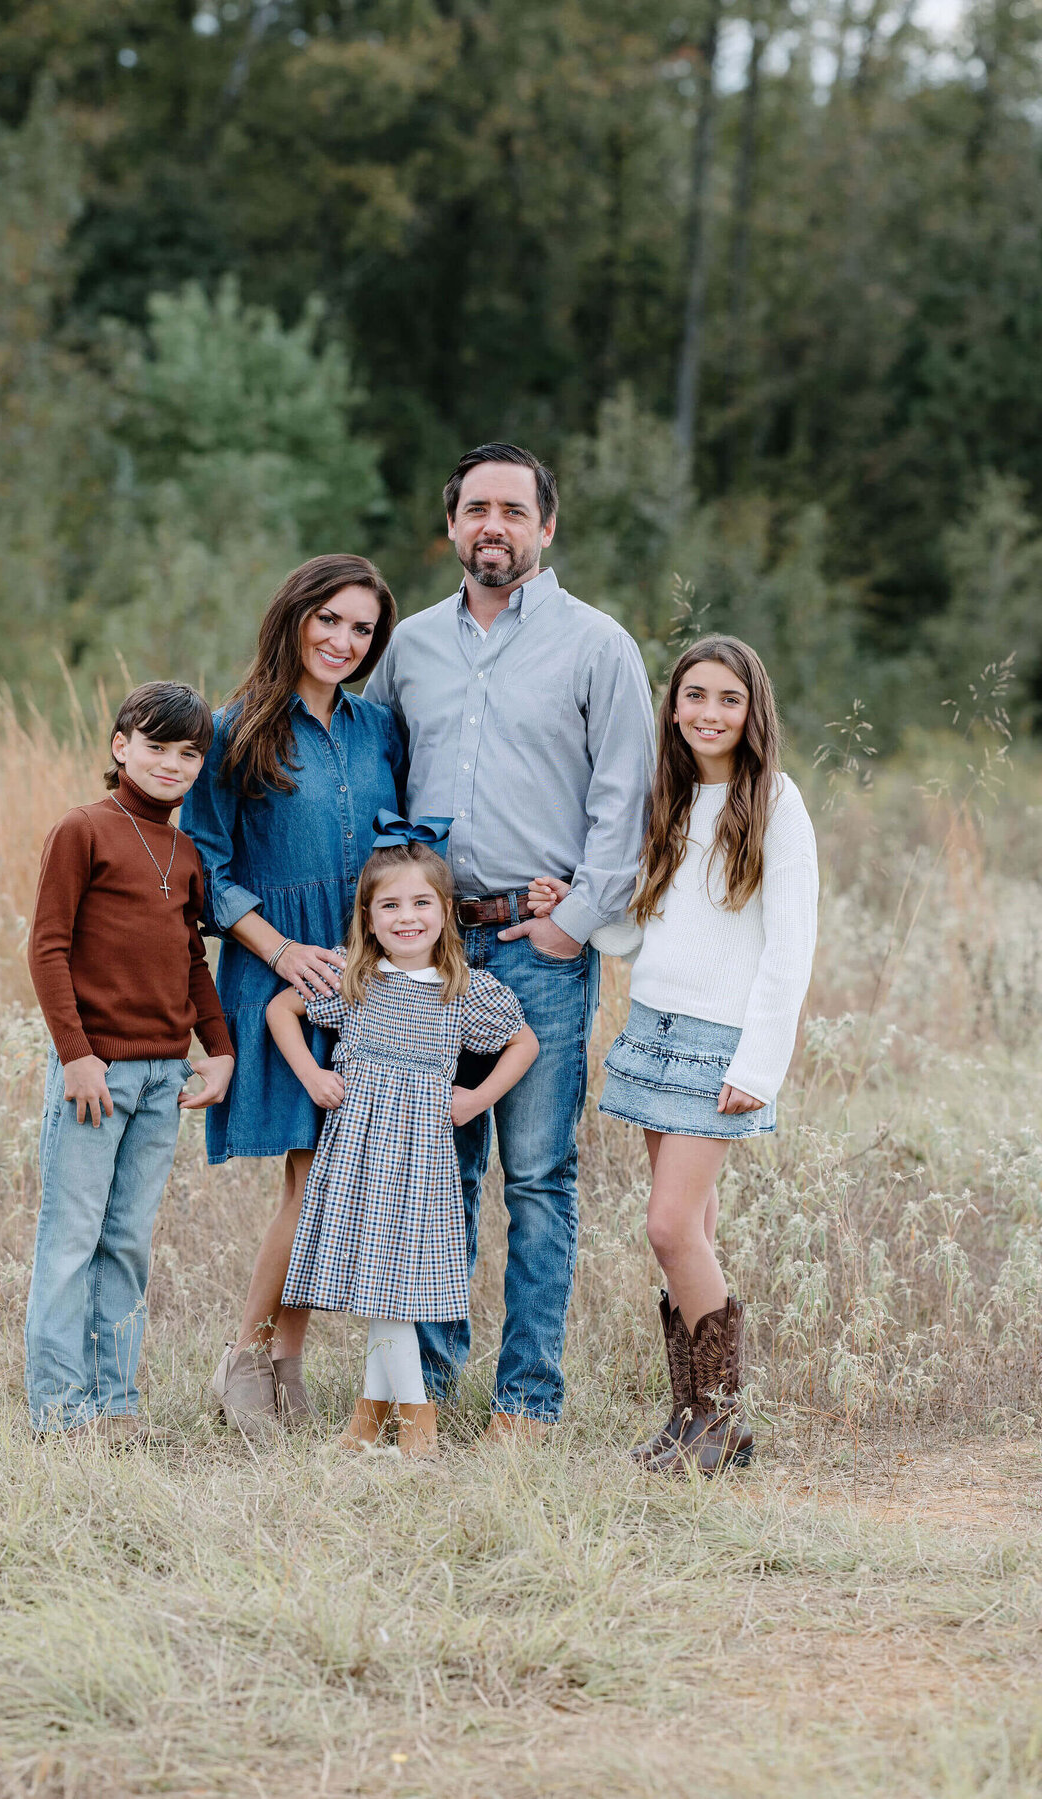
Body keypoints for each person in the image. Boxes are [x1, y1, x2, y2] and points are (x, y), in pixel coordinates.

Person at [364, 442, 656, 1436]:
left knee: (538, 1175)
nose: (494, 525)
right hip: (431, 954)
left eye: (513, 510)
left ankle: (527, 1400)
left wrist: (574, 925)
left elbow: (627, 801)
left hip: (542, 952)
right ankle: (429, 1392)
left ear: (547, 525)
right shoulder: (409, 645)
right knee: (439, 1165)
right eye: (475, 508)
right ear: (450, 525)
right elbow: (380, 782)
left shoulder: (597, 645)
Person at [535, 636, 818, 1476]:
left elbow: (790, 947)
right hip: (653, 1031)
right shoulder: (669, 795)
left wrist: (757, 1065)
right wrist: (580, 908)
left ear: (752, 710)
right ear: (674, 705)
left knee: (666, 1225)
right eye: (694, 695)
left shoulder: (776, 802)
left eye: (728, 699)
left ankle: (725, 1418)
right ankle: (690, 1416)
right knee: (689, 1226)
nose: (708, 713)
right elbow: (647, 926)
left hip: (721, 1045)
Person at [180, 554, 404, 1440]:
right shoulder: (234, 732)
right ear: (294, 617)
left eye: (362, 629)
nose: (344, 640)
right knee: (312, 1180)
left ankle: (282, 1365)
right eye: (331, 620)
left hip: (368, 979)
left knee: (330, 1177)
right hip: (280, 970)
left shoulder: (380, 729)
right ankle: (247, 1361)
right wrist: (279, 952)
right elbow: (207, 868)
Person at [268, 823, 538, 1456]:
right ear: (368, 915)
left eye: (421, 904)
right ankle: (368, 1423)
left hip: (418, 1161)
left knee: (394, 1286)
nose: (406, 917)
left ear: (446, 913)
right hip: (360, 1151)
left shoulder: (463, 990)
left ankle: (417, 1424)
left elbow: (524, 1043)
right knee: (378, 1283)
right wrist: (313, 1076)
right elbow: (281, 1009)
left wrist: (475, 1099)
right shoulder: (357, 980)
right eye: (389, 905)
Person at [25, 682, 236, 1442]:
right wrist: (75, 1055)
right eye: (156, 747)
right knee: (72, 1237)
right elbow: (46, 947)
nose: (172, 764)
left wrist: (219, 1050)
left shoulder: (185, 852)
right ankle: (58, 1410)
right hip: (97, 1075)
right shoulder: (82, 830)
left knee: (127, 1242)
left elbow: (191, 961)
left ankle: (116, 1405)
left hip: (161, 1078)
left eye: (189, 753)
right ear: (121, 746)